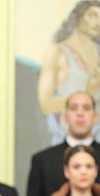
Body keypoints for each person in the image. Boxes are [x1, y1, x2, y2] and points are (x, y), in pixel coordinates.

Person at [26, 91, 100, 196]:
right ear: (65, 117)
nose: (80, 113)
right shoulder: (42, 160)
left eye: (86, 108)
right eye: (74, 108)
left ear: (95, 117)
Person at [37, 1, 100, 144]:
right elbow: (46, 104)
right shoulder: (58, 53)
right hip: (69, 140)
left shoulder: (98, 51)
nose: (98, 22)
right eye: (92, 15)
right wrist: (88, 91)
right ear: (77, 16)